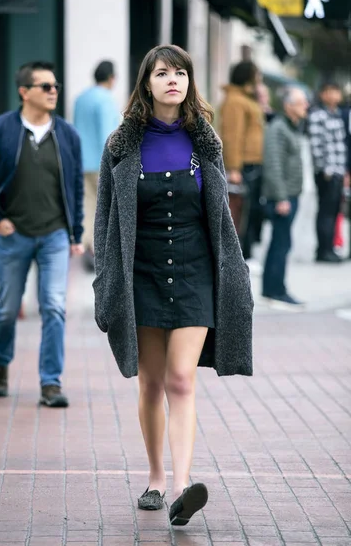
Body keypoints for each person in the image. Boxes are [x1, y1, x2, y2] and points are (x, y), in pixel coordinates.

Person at [93, 45, 253, 526]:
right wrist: (106, 279)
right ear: (146, 84)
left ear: (189, 83)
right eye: (162, 73)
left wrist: (236, 273)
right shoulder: (121, 145)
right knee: (151, 382)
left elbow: (220, 219)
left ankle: (183, 487)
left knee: (182, 380)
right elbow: (104, 221)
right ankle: (156, 477)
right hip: (139, 272)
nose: (173, 80)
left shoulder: (206, 143)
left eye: (180, 72)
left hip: (193, 271)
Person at [0, 61, 84, 407]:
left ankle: (50, 383)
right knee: (7, 309)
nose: (53, 92)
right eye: (45, 86)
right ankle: (0, 365)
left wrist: (76, 232)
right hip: (13, 234)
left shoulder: (67, 135)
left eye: (55, 86)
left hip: (55, 236)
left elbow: (74, 185)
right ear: (24, 92)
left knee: (54, 307)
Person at [262, 87, 309, 308]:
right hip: (283, 197)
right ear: (289, 106)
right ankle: (274, 290)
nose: (306, 106)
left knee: (283, 242)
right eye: (301, 102)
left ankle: (276, 288)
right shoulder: (278, 128)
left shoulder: (291, 127)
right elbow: (273, 165)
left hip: (291, 194)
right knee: (280, 243)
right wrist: (281, 197)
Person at [74, 61, 120, 271]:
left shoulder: (80, 99)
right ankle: (96, 250)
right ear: (111, 78)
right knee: (104, 207)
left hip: (81, 160)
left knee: (87, 204)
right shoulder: (106, 100)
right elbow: (107, 133)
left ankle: (83, 247)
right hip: (101, 162)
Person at [219, 61, 264, 271]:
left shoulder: (247, 98)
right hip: (242, 165)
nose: (259, 79)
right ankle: (240, 256)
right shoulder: (235, 101)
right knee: (240, 212)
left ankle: (247, 253)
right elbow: (232, 136)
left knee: (251, 210)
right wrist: (234, 168)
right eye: (256, 75)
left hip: (253, 163)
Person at [308, 82, 348, 263]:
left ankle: (330, 247)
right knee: (325, 211)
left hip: (338, 170)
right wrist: (325, 170)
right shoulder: (317, 115)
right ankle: (323, 250)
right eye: (330, 92)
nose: (334, 96)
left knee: (333, 212)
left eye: (336, 92)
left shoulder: (337, 114)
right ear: (323, 94)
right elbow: (316, 145)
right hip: (327, 172)